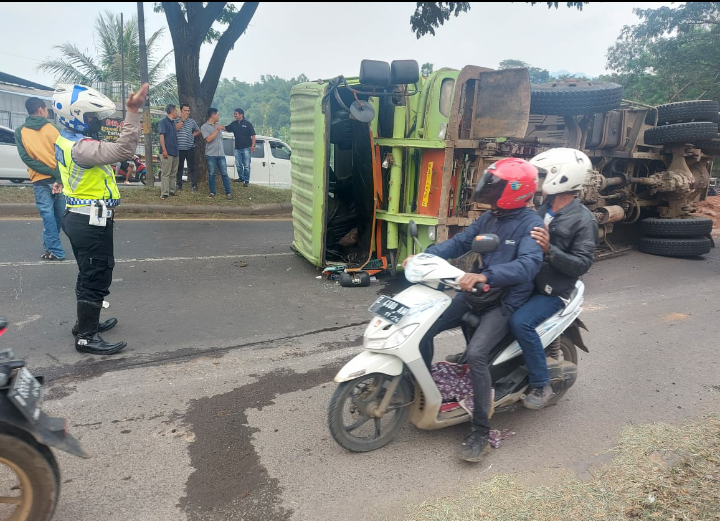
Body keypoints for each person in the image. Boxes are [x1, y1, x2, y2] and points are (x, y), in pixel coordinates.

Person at [405, 158, 544, 462]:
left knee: (478, 355)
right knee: (422, 327)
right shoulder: (491, 218)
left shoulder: (530, 224)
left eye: (495, 186)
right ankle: (418, 387)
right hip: (475, 292)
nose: (488, 190)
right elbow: (461, 243)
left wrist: (486, 276)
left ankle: (480, 430)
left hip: (504, 300)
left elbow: (529, 265)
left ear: (516, 191)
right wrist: (423, 257)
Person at [52, 82, 149, 355]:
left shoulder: (66, 138)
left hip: (78, 215)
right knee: (96, 275)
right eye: (92, 117)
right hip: (88, 220)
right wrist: (132, 113)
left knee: (88, 273)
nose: (97, 122)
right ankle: (86, 336)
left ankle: (85, 323)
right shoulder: (81, 148)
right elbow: (123, 152)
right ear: (76, 117)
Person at [509, 148, 599, 409]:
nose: (537, 180)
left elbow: (583, 264)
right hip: (528, 281)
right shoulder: (542, 208)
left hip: (554, 291)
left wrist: (550, 249)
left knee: (521, 323)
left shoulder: (584, 220)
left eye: (542, 175)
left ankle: (541, 384)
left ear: (562, 178)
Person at [14, 97, 66, 261]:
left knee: (48, 216)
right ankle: (52, 248)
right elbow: (63, 156)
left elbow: (27, 158)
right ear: (40, 110)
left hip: (40, 180)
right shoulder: (55, 129)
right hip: (59, 180)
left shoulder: (20, 131)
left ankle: (55, 250)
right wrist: (57, 174)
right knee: (59, 215)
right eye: (46, 109)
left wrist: (48, 171)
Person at [201, 108, 232, 200]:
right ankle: (212, 192)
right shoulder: (204, 127)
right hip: (211, 154)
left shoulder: (218, 125)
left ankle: (228, 192)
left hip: (221, 154)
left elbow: (227, 129)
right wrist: (217, 130)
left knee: (224, 173)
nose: (218, 117)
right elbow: (208, 139)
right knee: (211, 173)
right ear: (213, 115)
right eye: (217, 115)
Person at [225, 108, 255, 187]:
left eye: (236, 114)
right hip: (237, 148)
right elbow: (226, 128)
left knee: (247, 165)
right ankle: (241, 178)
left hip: (246, 148)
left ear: (241, 115)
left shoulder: (248, 124)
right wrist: (217, 126)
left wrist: (253, 145)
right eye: (234, 114)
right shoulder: (234, 124)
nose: (234, 115)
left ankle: (246, 181)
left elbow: (253, 135)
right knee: (238, 164)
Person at [175, 103, 201, 192]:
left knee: (191, 167)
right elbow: (176, 129)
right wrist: (183, 120)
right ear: (181, 111)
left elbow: (198, 130)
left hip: (190, 147)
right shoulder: (176, 120)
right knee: (179, 167)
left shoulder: (192, 121)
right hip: (179, 148)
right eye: (185, 110)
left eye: (188, 110)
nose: (187, 112)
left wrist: (192, 135)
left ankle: (194, 185)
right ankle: (179, 184)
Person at [158, 104, 179, 200]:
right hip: (167, 151)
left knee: (173, 172)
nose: (177, 113)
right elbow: (162, 136)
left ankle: (171, 190)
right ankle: (164, 192)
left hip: (175, 151)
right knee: (166, 173)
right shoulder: (163, 122)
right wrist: (164, 150)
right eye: (176, 111)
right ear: (172, 111)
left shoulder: (173, 123)